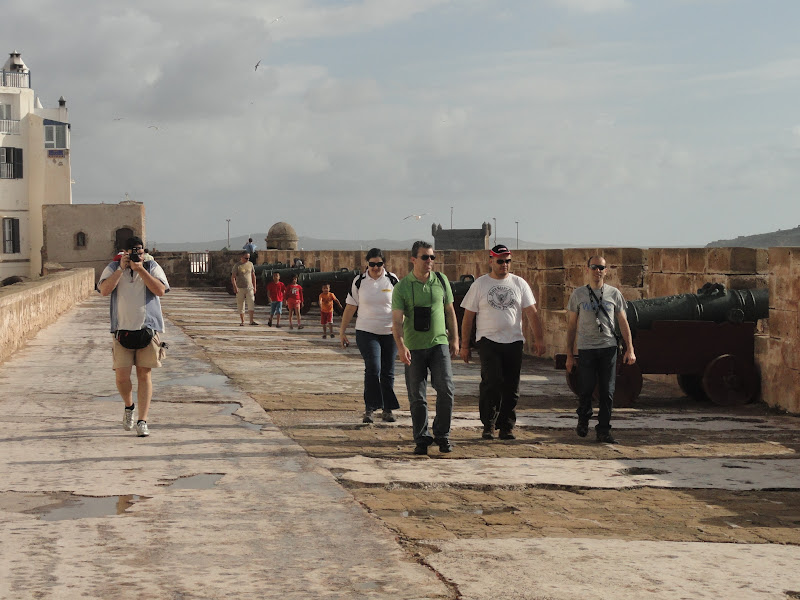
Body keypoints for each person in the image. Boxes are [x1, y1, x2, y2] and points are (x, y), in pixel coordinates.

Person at [459, 244, 546, 441]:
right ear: (491, 261)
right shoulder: (480, 285)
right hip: (488, 340)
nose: (504, 265)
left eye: (507, 261)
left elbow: (531, 313)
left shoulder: (519, 283)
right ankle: (489, 424)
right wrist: (465, 345)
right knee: (492, 382)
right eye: (500, 261)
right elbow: (468, 317)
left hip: (514, 340)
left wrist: (539, 339)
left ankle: (506, 426)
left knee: (511, 387)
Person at [98, 236, 170, 438]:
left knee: (144, 375)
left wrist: (140, 269)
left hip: (147, 330)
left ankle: (142, 420)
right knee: (121, 377)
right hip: (122, 330)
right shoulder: (113, 267)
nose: (136, 254)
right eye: (131, 251)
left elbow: (160, 291)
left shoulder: (151, 266)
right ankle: (129, 406)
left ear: (143, 250)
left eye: (139, 250)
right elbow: (104, 291)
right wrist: (121, 269)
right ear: (124, 252)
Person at [392, 241, 459, 455]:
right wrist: (401, 347)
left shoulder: (441, 281)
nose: (429, 261)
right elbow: (396, 321)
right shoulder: (402, 287)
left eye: (432, 257)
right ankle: (421, 438)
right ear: (413, 259)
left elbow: (450, 311)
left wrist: (455, 339)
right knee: (417, 396)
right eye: (425, 257)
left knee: (446, 389)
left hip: (439, 343)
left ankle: (442, 434)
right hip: (414, 346)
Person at [565, 255, 636, 444]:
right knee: (586, 388)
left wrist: (630, 349)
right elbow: (572, 326)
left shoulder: (614, 294)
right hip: (587, 348)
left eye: (601, 268)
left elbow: (623, 321)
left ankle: (603, 430)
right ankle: (583, 418)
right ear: (587, 269)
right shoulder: (578, 295)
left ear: (606, 271)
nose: (598, 271)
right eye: (594, 267)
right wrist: (570, 355)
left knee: (607, 391)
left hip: (608, 348)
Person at [340, 248, 401, 424]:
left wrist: (403, 330)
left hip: (389, 331)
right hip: (366, 331)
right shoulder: (359, 281)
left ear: (384, 264)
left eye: (379, 264)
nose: (375, 267)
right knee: (373, 368)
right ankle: (371, 407)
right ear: (367, 264)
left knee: (388, 371)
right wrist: (342, 331)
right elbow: (351, 307)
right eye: (372, 264)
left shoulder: (392, 280)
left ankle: (387, 409)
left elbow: (400, 306)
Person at [231, 251, 258, 326]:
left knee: (251, 303)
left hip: (249, 287)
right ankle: (242, 321)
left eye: (249, 258)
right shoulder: (237, 266)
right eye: (246, 258)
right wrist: (235, 287)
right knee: (241, 304)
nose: (247, 260)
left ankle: (251, 320)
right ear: (241, 257)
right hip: (240, 288)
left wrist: (254, 286)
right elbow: (233, 277)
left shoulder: (250, 264)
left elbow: (253, 276)